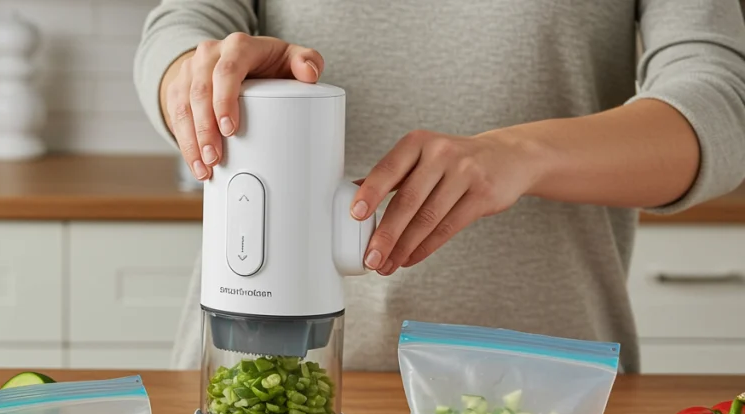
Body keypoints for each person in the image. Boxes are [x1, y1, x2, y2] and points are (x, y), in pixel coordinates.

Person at [134, 0, 745, 373]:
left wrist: (522, 155)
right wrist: (198, 79)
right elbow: (184, 28)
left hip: (546, 391)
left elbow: (722, 104)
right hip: (258, 372)